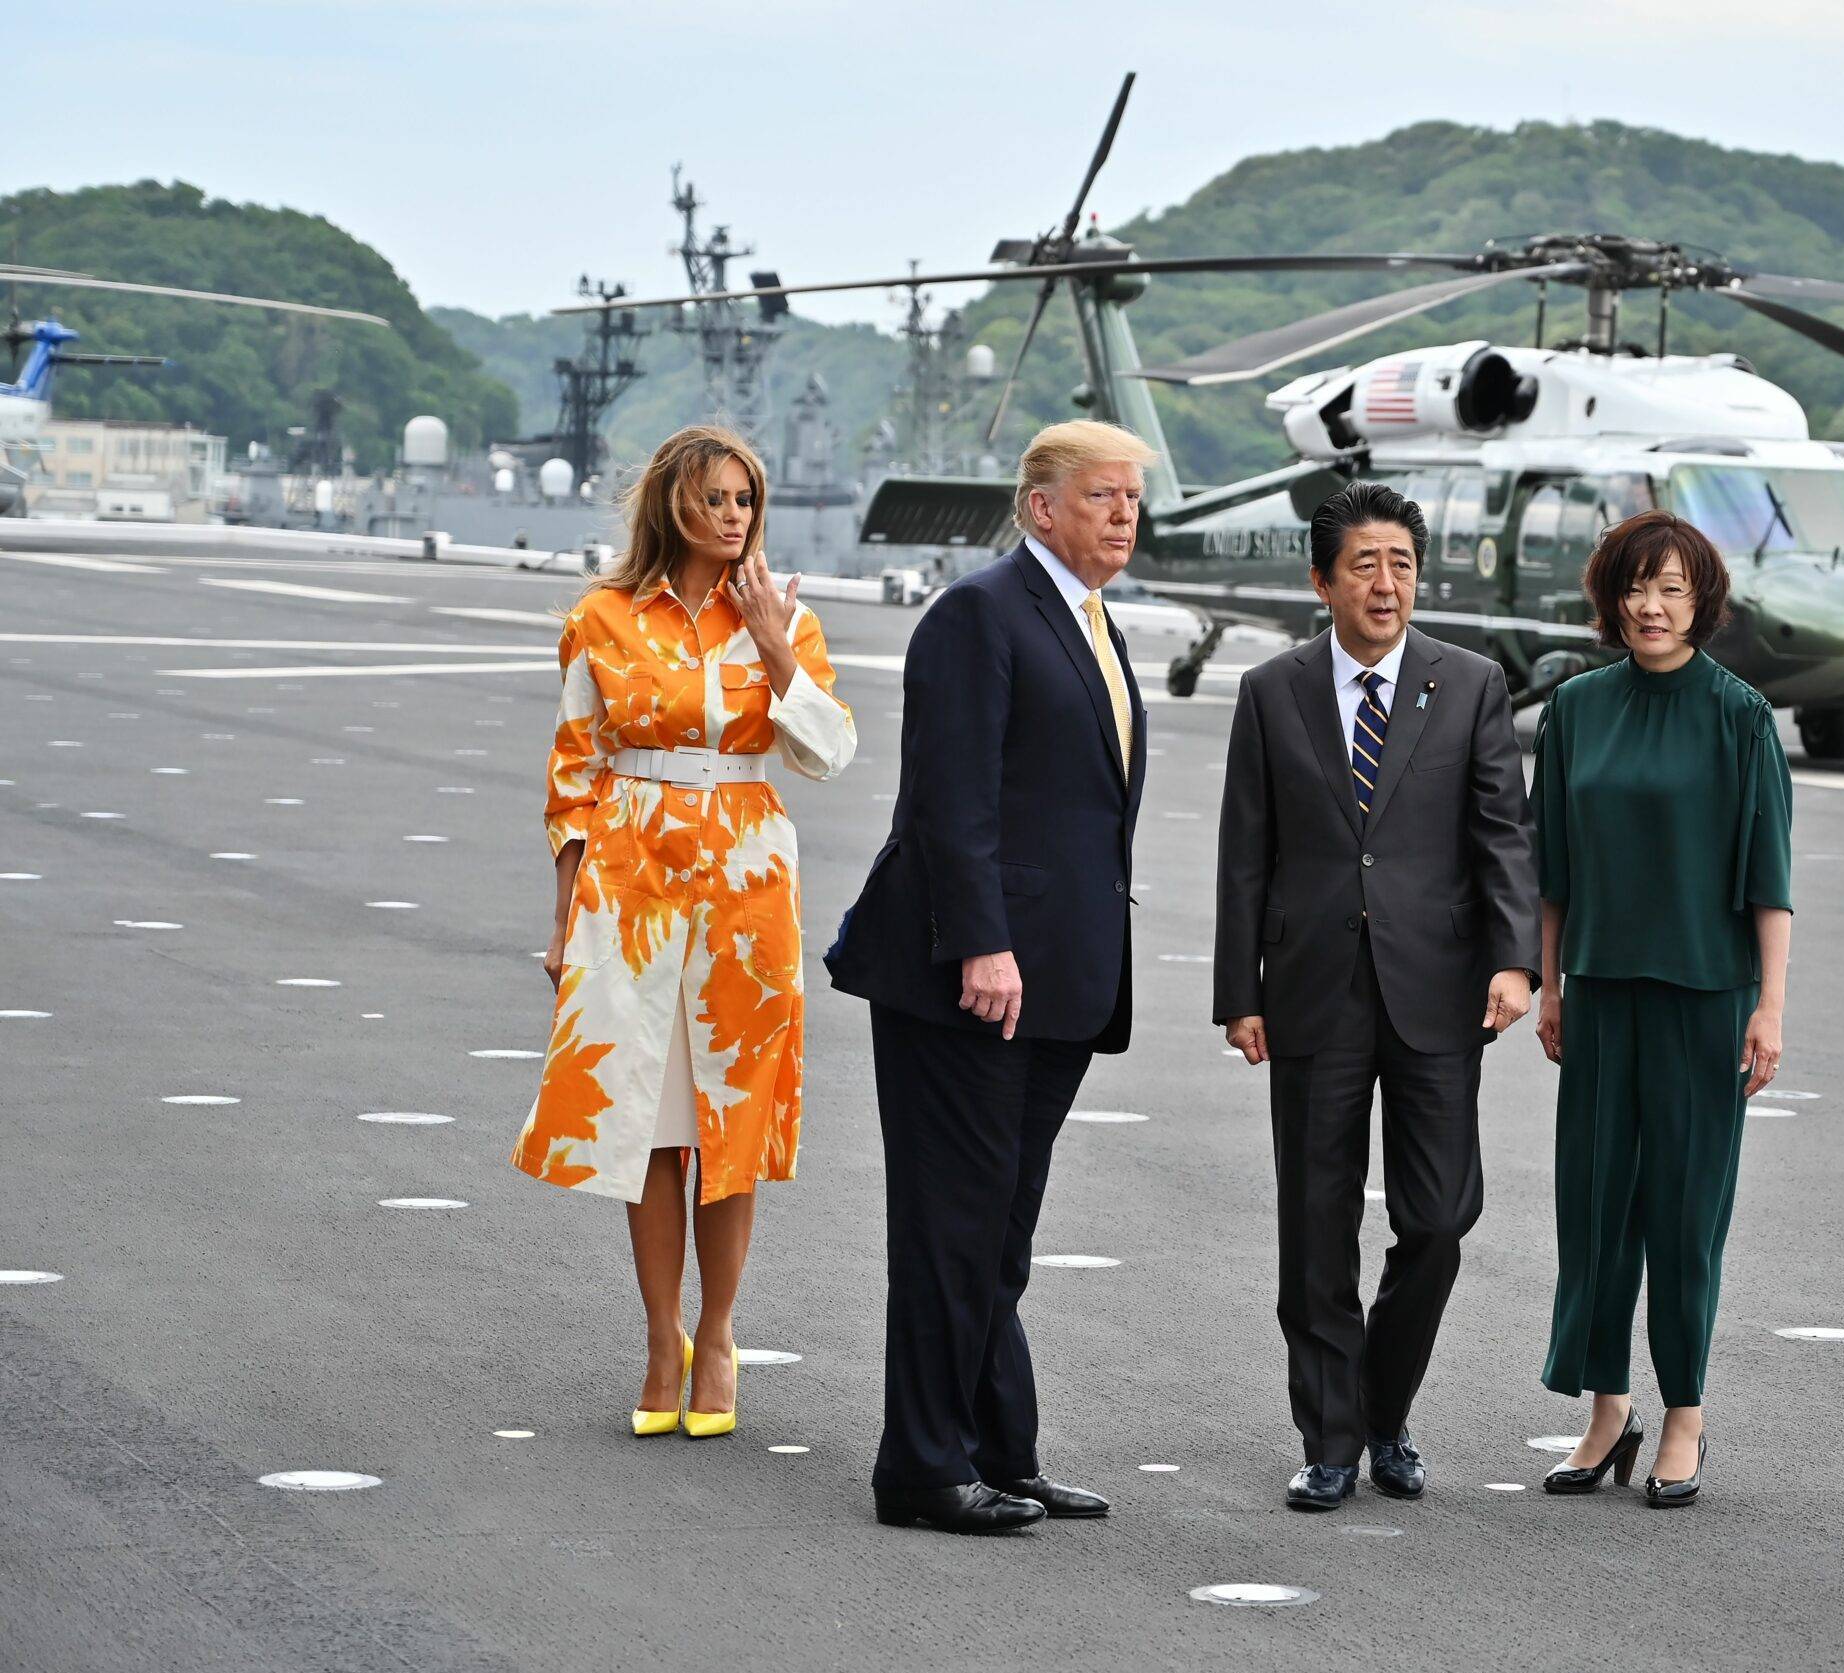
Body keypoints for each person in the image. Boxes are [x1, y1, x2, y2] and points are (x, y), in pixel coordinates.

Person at [826, 420, 1153, 1536]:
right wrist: (981, 940)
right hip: (968, 977)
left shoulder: (1089, 620)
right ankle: (920, 1468)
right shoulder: (979, 613)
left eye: (1131, 499)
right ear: (1040, 507)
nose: (1123, 514)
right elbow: (946, 798)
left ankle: (997, 1452)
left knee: (1000, 1233)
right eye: (1102, 496)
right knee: (949, 1229)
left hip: (1057, 980)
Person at [513, 424, 857, 1441]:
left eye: (746, 500)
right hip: (631, 883)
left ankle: (719, 1335)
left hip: (748, 890)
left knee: (732, 1129)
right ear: (672, 504)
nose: (732, 517)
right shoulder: (602, 619)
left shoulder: (786, 617)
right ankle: (660, 1337)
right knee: (651, 1129)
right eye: (714, 499)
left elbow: (828, 751)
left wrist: (774, 641)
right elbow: (572, 779)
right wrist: (564, 921)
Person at [1212, 481, 1539, 1512]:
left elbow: (1500, 833)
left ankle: (1382, 1407)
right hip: (1308, 988)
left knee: (1438, 1220)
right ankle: (1330, 1438)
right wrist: (1238, 991)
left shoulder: (1470, 683)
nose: (1386, 583)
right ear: (1323, 581)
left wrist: (1514, 958)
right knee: (1314, 1226)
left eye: (1400, 564)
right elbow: (1245, 853)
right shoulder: (1272, 691)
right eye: (1365, 565)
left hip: (1437, 988)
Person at [1529, 510, 1792, 1511]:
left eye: (1672, 588)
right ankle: (1606, 1406)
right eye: (1637, 586)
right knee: (1594, 1207)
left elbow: (1768, 877)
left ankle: (1684, 1411)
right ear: (1611, 595)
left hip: (1704, 995)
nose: (1651, 605)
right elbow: (1551, 869)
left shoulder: (1738, 716)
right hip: (1598, 989)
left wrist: (1768, 1006)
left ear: (1701, 601)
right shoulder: (1577, 711)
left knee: (1684, 1213)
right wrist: (1552, 982)